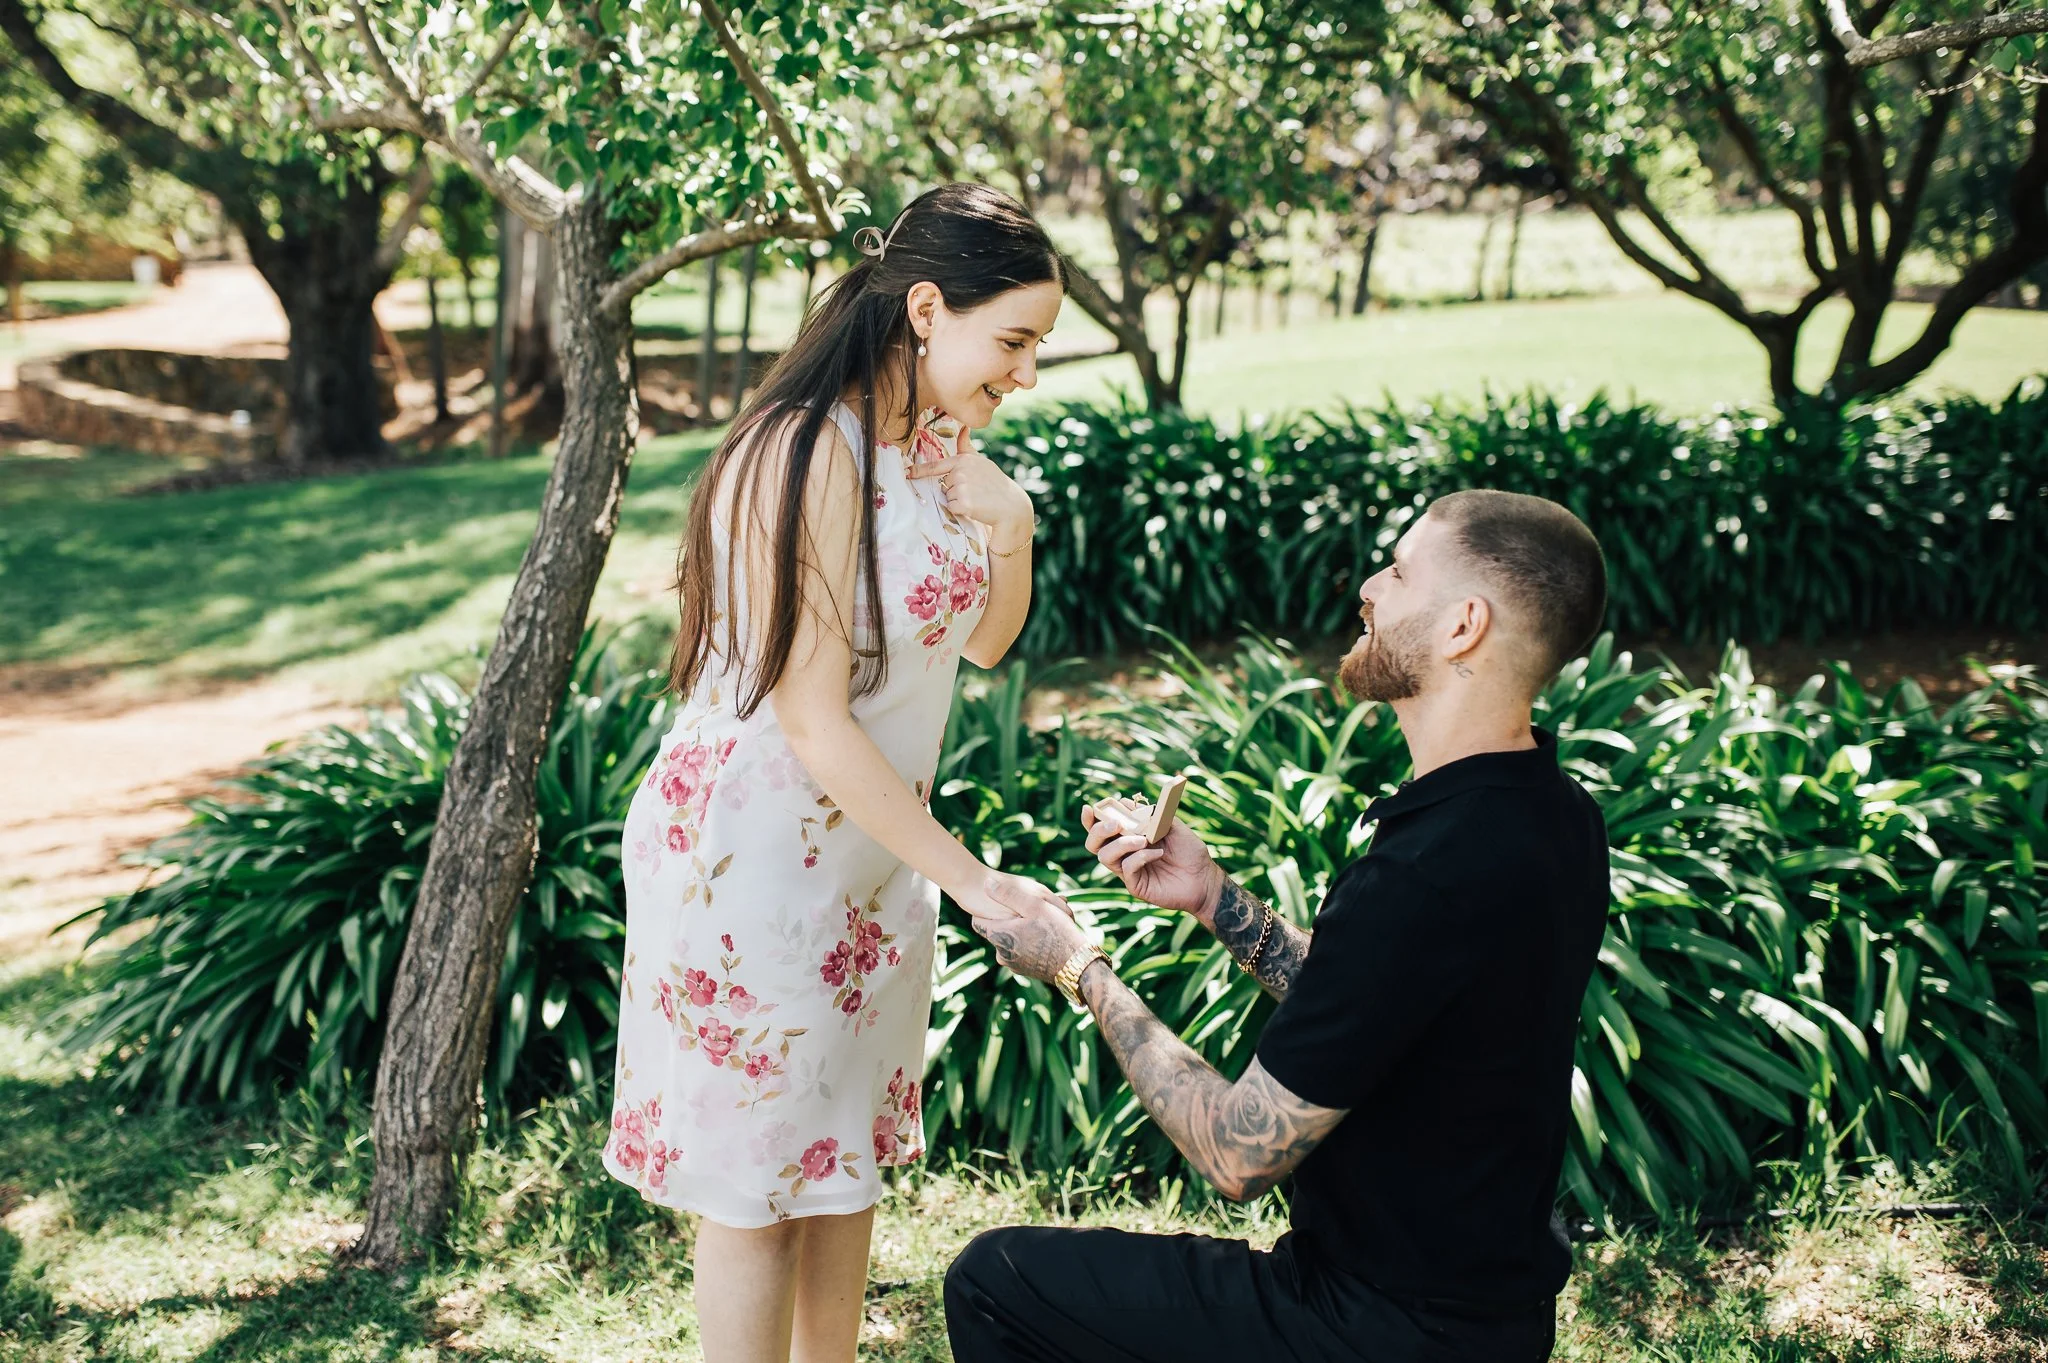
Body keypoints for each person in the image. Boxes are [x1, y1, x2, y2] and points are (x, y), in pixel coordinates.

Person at [946, 490, 1611, 1363]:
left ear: (1463, 627)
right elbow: (1375, 999)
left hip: (1371, 1327)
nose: (1369, 587)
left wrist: (1080, 967)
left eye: (1401, 570)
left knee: (996, 1280)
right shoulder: (1552, 813)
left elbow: (1234, 1154)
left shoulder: (1425, 873)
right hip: (1491, 1322)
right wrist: (1212, 895)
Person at [602, 183, 1067, 1363]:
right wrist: (976, 883)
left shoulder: (938, 444)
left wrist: (1006, 526)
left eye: (1036, 347)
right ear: (926, 307)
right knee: (758, 1187)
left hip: (869, 851)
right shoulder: (800, 449)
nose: (1023, 372)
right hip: (756, 852)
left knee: (838, 1156)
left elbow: (986, 639)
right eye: (1010, 339)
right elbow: (809, 717)